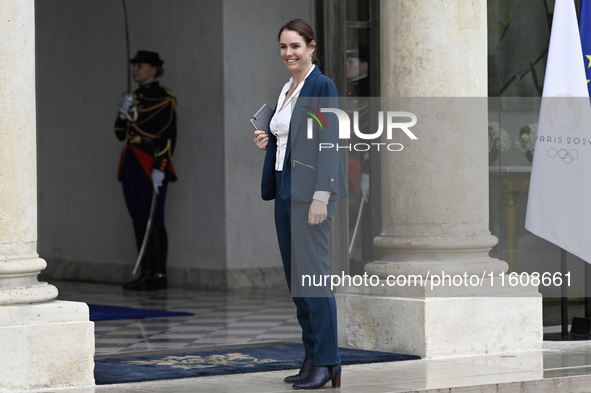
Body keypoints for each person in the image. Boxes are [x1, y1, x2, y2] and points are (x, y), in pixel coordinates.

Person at [253, 19, 347, 390]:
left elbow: (328, 141)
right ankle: (312, 359)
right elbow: (291, 139)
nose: (288, 53)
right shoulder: (288, 88)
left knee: (314, 279)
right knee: (298, 283)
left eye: (295, 46)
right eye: (283, 47)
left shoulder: (322, 85)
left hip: (311, 197)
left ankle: (329, 362)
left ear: (312, 47)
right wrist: (269, 141)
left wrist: (322, 196)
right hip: (286, 192)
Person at [115, 50, 177, 291]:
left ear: (154, 69)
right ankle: (146, 272)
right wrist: (123, 113)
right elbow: (121, 134)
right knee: (138, 219)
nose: (136, 69)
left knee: (154, 219)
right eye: (135, 65)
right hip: (130, 162)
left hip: (150, 163)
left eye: (141, 65)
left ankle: (159, 274)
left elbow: (169, 135)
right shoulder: (133, 97)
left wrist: (160, 168)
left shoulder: (165, 97)